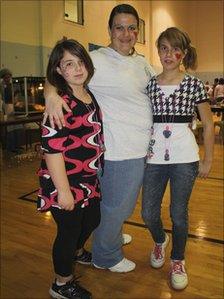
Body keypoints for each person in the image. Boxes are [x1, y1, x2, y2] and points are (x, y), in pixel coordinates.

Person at [43, 3, 155, 273]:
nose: (125, 33)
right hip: (119, 150)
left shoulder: (142, 63)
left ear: (137, 31)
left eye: (131, 28)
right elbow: (56, 74)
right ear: (110, 30)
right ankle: (107, 255)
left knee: (111, 207)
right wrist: (50, 95)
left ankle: (110, 236)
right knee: (118, 207)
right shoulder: (98, 60)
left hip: (137, 149)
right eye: (119, 27)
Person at [142, 27, 214, 290]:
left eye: (174, 49)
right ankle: (160, 240)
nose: (168, 54)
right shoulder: (150, 84)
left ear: (183, 54)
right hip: (154, 158)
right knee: (148, 213)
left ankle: (177, 259)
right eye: (163, 48)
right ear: (158, 51)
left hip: (185, 158)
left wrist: (207, 160)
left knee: (178, 214)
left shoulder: (193, 84)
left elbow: (207, 123)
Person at [37, 38, 104, 299]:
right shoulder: (60, 103)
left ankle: (77, 252)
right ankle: (61, 283)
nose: (77, 68)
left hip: (87, 178)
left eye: (80, 62)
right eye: (68, 64)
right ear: (58, 70)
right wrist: (64, 192)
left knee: (93, 220)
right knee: (68, 232)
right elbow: (52, 151)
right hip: (63, 180)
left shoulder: (87, 94)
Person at [0, 68, 23, 153]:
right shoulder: (1, 86)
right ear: (3, 78)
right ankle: (11, 147)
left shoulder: (13, 85)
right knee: (10, 129)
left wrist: (17, 103)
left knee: (17, 128)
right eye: (6, 77)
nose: (8, 79)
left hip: (14, 108)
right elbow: (2, 99)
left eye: (9, 77)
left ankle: (18, 145)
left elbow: (17, 96)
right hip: (6, 108)